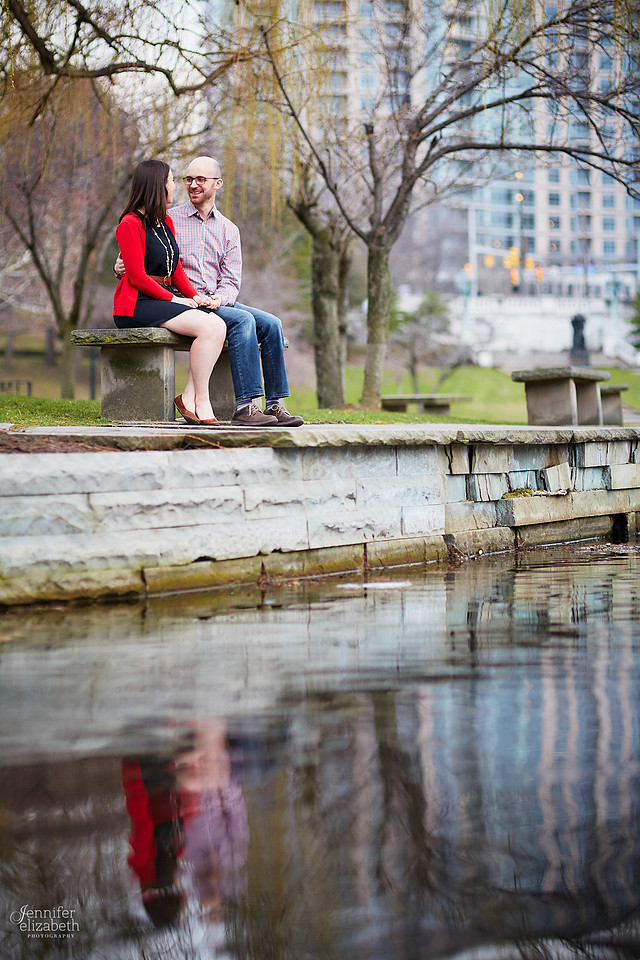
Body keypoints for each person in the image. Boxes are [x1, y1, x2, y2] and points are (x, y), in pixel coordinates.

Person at [117, 156, 303, 427]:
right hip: (184, 300)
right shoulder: (168, 218)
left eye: (200, 180)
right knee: (243, 321)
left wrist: (219, 299)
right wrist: (119, 265)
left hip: (216, 300)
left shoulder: (229, 230)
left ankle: (274, 405)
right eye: (188, 179)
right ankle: (244, 407)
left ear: (218, 184)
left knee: (273, 324)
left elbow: (231, 280)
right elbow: (141, 259)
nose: (192, 185)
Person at [113, 159, 227, 426]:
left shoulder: (164, 222)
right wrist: (175, 299)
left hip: (161, 298)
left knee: (218, 325)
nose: (175, 186)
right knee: (208, 328)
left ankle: (190, 398)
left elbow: (175, 270)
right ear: (158, 185)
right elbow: (138, 276)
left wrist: (195, 296)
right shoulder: (129, 224)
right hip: (137, 304)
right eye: (172, 180)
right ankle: (201, 400)